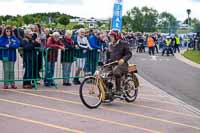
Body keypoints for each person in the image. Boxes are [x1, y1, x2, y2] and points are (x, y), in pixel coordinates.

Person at [107, 30, 132, 95]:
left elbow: (129, 54)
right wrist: (105, 63)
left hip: (122, 64)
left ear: (116, 37)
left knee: (116, 71)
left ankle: (118, 90)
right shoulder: (110, 45)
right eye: (109, 36)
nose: (110, 38)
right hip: (112, 63)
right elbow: (108, 56)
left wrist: (123, 59)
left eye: (112, 36)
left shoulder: (124, 43)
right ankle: (107, 90)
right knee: (102, 73)